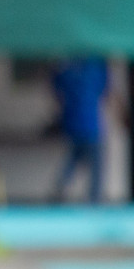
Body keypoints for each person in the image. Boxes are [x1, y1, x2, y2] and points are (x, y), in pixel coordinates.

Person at [52, 57, 110, 203]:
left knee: (74, 158)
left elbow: (56, 88)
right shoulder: (95, 66)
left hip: (72, 123)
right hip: (91, 125)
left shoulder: (67, 67)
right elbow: (106, 91)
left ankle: (60, 188)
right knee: (96, 166)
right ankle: (94, 200)